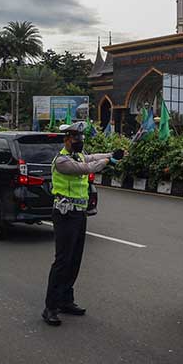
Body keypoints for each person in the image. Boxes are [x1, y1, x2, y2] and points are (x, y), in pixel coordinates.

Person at [42, 122, 124, 326]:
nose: (79, 142)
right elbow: (86, 168)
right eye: (76, 139)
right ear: (67, 139)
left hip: (79, 214)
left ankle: (66, 300)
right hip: (64, 215)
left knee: (74, 260)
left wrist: (111, 153)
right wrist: (109, 161)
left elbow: (92, 157)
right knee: (62, 261)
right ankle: (50, 307)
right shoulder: (62, 161)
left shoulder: (78, 155)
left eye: (81, 139)